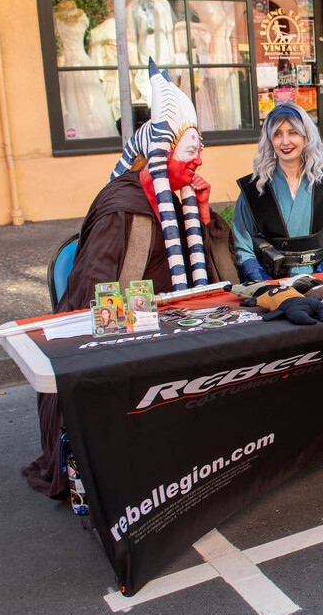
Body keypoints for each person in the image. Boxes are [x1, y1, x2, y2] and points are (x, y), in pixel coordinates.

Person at [22, 64, 240, 498]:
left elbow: (216, 274)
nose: (198, 161)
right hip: (128, 333)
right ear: (159, 154)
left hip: (174, 324)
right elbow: (96, 292)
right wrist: (150, 328)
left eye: (199, 152)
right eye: (189, 152)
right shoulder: (123, 206)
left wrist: (202, 212)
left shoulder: (175, 197)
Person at [233, 103, 323, 283]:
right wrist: (266, 284)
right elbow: (243, 246)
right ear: (269, 140)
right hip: (270, 284)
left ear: (306, 136)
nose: (285, 142)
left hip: (322, 280)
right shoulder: (253, 189)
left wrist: (317, 279)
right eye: (277, 134)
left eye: (292, 132)